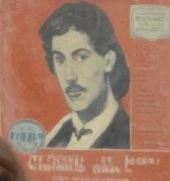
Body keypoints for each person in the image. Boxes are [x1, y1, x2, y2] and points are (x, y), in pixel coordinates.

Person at [39, 1, 131, 150]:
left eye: (81, 57)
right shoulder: (54, 137)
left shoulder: (128, 138)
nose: (70, 76)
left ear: (108, 61)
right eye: (60, 59)